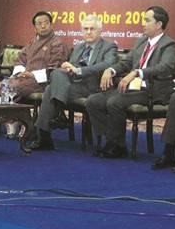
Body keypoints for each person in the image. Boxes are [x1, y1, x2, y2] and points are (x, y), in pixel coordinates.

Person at [86, 6, 175, 159]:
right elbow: (126, 63)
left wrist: (138, 72)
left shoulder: (169, 44)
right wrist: (111, 70)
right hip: (132, 89)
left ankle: (117, 146)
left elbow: (166, 67)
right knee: (93, 101)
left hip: (151, 90)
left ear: (159, 24)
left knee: (115, 102)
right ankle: (112, 140)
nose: (143, 23)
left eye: (147, 20)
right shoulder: (141, 41)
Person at [28, 14, 118, 150]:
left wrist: (79, 70)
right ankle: (56, 117)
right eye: (85, 29)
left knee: (50, 90)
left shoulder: (109, 46)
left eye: (92, 29)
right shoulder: (78, 47)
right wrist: (68, 67)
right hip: (73, 86)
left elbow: (107, 64)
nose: (88, 32)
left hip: (93, 87)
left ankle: (45, 134)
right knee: (58, 73)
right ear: (81, 31)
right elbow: (71, 68)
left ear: (100, 31)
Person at [1, 11, 68, 138]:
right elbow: (20, 59)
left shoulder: (57, 43)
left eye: (46, 23)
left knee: (14, 88)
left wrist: (32, 75)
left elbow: (55, 69)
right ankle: (11, 120)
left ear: (51, 24)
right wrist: (20, 72)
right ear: (35, 27)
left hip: (42, 81)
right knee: (0, 86)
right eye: (39, 23)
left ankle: (24, 123)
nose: (43, 26)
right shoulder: (32, 42)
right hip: (24, 78)